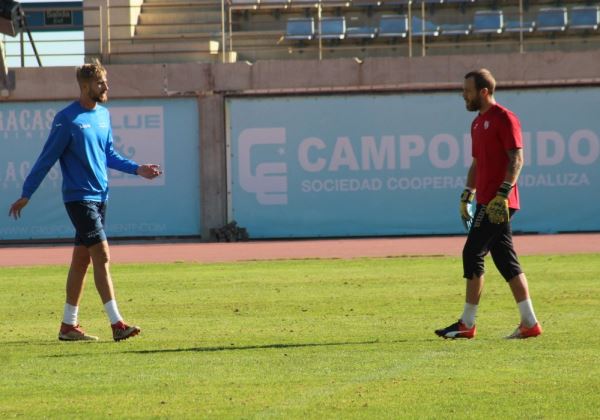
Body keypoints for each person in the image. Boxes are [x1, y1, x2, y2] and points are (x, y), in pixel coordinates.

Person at [8, 59, 162, 342]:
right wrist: (26, 193)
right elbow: (46, 158)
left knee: (81, 261)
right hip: (79, 199)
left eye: (105, 81)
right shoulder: (67, 119)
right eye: (101, 82)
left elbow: (110, 155)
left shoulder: (103, 115)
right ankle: (117, 324)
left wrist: (138, 169)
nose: (106, 86)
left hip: (101, 197)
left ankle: (68, 326)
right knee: (102, 255)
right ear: (84, 86)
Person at [435, 69, 542, 340]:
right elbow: (477, 163)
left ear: (484, 92)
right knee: (506, 261)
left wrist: (503, 193)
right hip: (484, 200)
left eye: (468, 91)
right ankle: (529, 323)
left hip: (499, 202)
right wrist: (467, 193)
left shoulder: (505, 118)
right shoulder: (476, 123)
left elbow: (517, 158)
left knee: (472, 253)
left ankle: (467, 324)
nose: (464, 95)